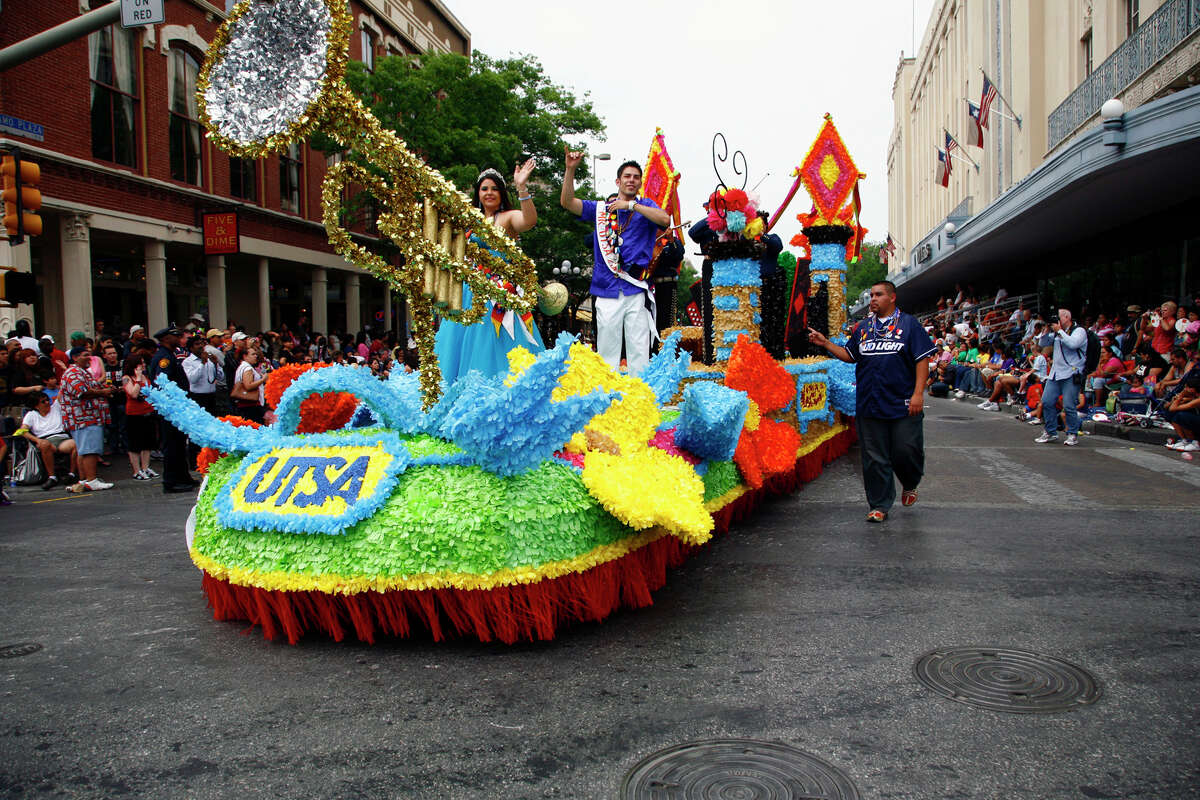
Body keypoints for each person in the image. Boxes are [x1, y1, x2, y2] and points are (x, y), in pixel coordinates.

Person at [808, 280, 935, 523]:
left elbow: (922, 360)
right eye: (871, 295)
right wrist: (825, 344)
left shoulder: (909, 325)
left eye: (878, 295)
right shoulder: (863, 328)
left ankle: (910, 482)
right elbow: (850, 355)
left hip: (903, 403)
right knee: (874, 457)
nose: (873, 299)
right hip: (870, 403)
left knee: (905, 450)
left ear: (892, 297)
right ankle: (879, 504)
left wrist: (918, 393)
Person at [560, 148, 670, 374]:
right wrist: (570, 170)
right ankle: (607, 401)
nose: (631, 180)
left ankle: (639, 401)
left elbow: (665, 220)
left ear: (640, 183)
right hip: (607, 289)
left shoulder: (646, 205)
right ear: (618, 181)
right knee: (607, 355)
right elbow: (568, 202)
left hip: (636, 289)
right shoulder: (601, 209)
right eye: (627, 176)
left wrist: (631, 206)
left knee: (639, 352)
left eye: (636, 177)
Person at [435, 161, 545, 382]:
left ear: (502, 193)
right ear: (478, 193)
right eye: (484, 188)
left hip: (498, 293)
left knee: (494, 343)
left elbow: (529, 220)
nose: (489, 193)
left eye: (494, 188)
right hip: (468, 293)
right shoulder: (469, 223)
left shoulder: (508, 217)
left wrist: (522, 187)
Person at [58, 346, 117, 491]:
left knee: (84, 450)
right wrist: (103, 392)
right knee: (89, 449)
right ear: (75, 357)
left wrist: (107, 389)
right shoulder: (73, 373)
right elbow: (83, 392)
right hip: (84, 417)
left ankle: (85, 480)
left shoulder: (83, 372)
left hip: (88, 417)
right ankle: (92, 480)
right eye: (85, 355)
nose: (89, 358)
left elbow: (93, 387)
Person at [148, 326, 197, 493]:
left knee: (179, 443)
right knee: (172, 445)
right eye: (175, 336)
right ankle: (171, 481)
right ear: (166, 339)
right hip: (170, 408)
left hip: (178, 407)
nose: (179, 338)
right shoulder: (164, 358)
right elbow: (162, 383)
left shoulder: (170, 355)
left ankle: (182, 477)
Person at [1035, 308, 1088, 446]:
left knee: (1069, 405)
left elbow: (1073, 344)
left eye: (1057, 317)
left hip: (1071, 373)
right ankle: (1051, 432)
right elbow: (1042, 344)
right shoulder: (1056, 333)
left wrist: (1060, 331)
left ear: (1066, 317)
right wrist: (1046, 329)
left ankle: (1072, 434)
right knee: (1046, 402)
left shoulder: (1079, 331)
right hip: (1055, 373)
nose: (1056, 320)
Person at [18, 391, 78, 489]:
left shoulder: (56, 407)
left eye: (47, 400)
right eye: (43, 402)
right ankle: (52, 477)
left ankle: (72, 474)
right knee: (44, 445)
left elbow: (61, 392)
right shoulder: (31, 415)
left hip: (62, 438)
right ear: (36, 406)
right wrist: (37, 440)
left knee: (76, 444)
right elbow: (22, 431)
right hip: (46, 440)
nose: (47, 403)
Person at [121, 354, 158, 480]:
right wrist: (137, 379)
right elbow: (133, 394)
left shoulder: (145, 377)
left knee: (147, 442)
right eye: (140, 363)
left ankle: (145, 467)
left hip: (147, 413)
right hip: (134, 415)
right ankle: (136, 470)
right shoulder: (127, 378)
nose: (143, 365)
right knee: (135, 443)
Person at [232, 347, 269, 424]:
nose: (256, 356)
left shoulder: (242, 367)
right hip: (250, 405)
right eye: (253, 354)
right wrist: (263, 379)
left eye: (256, 354)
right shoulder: (247, 368)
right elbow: (248, 386)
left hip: (246, 405)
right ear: (245, 356)